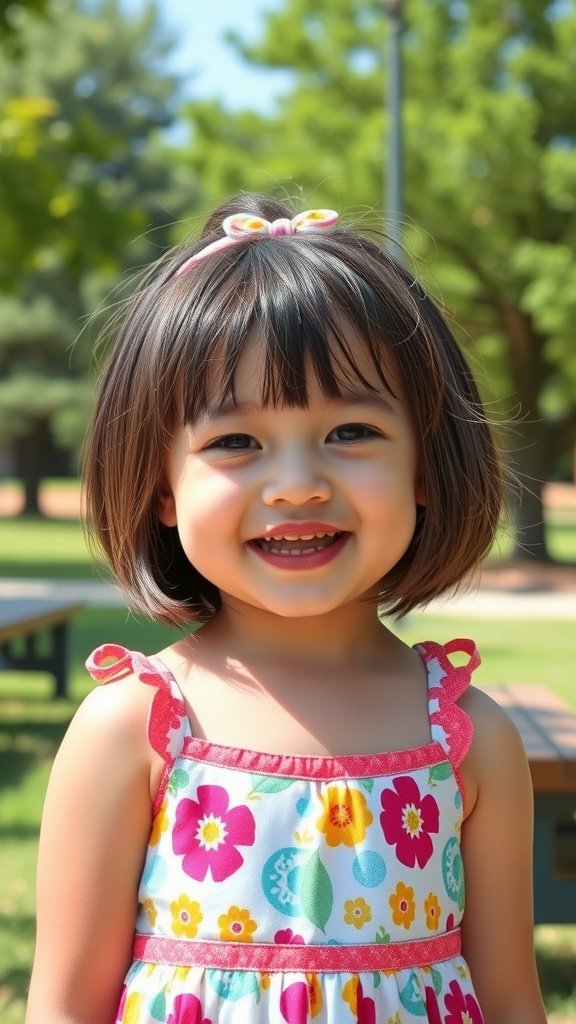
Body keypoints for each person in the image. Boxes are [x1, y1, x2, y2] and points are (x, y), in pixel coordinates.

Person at [26, 194, 547, 1024]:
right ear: (163, 487)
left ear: (425, 465)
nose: (299, 483)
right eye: (235, 442)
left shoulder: (467, 738)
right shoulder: (136, 726)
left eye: (350, 432)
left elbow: (513, 1000)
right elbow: (64, 1007)